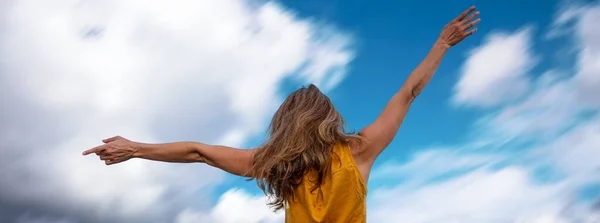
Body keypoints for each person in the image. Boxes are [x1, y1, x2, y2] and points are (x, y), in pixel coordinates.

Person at [83, 6, 480, 223]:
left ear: (285, 123)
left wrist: (136, 148)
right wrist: (442, 43)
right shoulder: (359, 150)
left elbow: (197, 151)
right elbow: (407, 94)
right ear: (328, 118)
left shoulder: (271, 163)